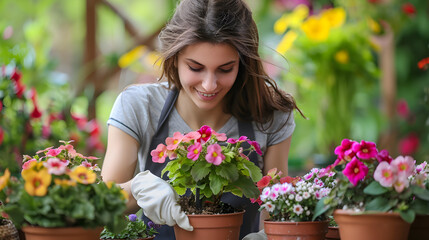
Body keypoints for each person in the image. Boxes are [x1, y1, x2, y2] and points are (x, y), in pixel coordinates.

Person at [101, 0, 303, 239]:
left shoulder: (270, 113)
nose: (209, 85)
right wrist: (135, 190)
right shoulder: (139, 105)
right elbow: (103, 204)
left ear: (243, 63)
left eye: (225, 69)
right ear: (174, 58)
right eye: (195, 68)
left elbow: (275, 214)